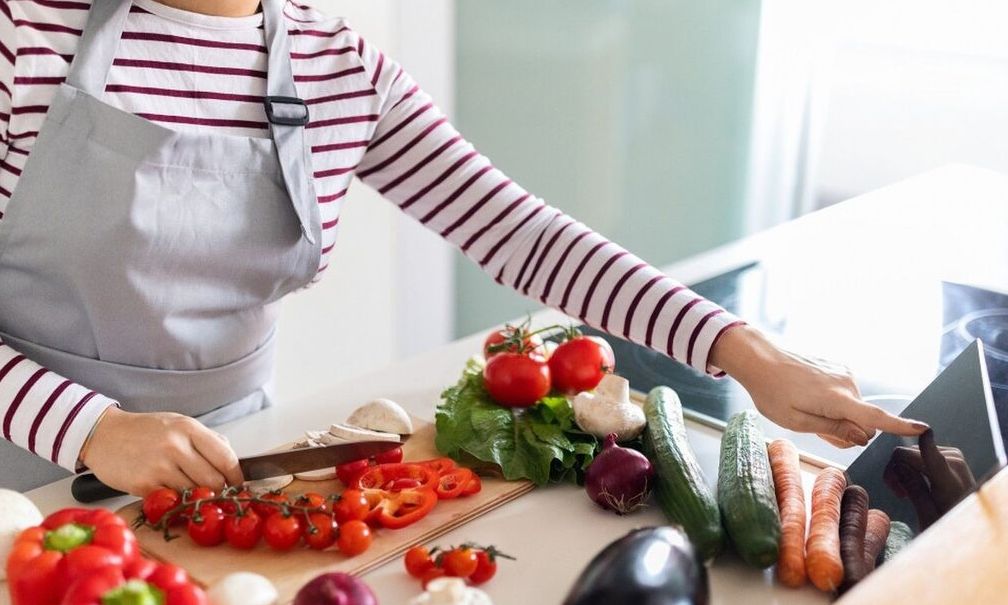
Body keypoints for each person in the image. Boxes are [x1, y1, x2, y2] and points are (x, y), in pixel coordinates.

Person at [0, 0, 926, 495]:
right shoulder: (24, 35)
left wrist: (747, 354)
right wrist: (94, 430)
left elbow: (526, 236)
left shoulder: (337, 70)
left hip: (236, 471)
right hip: (23, 479)